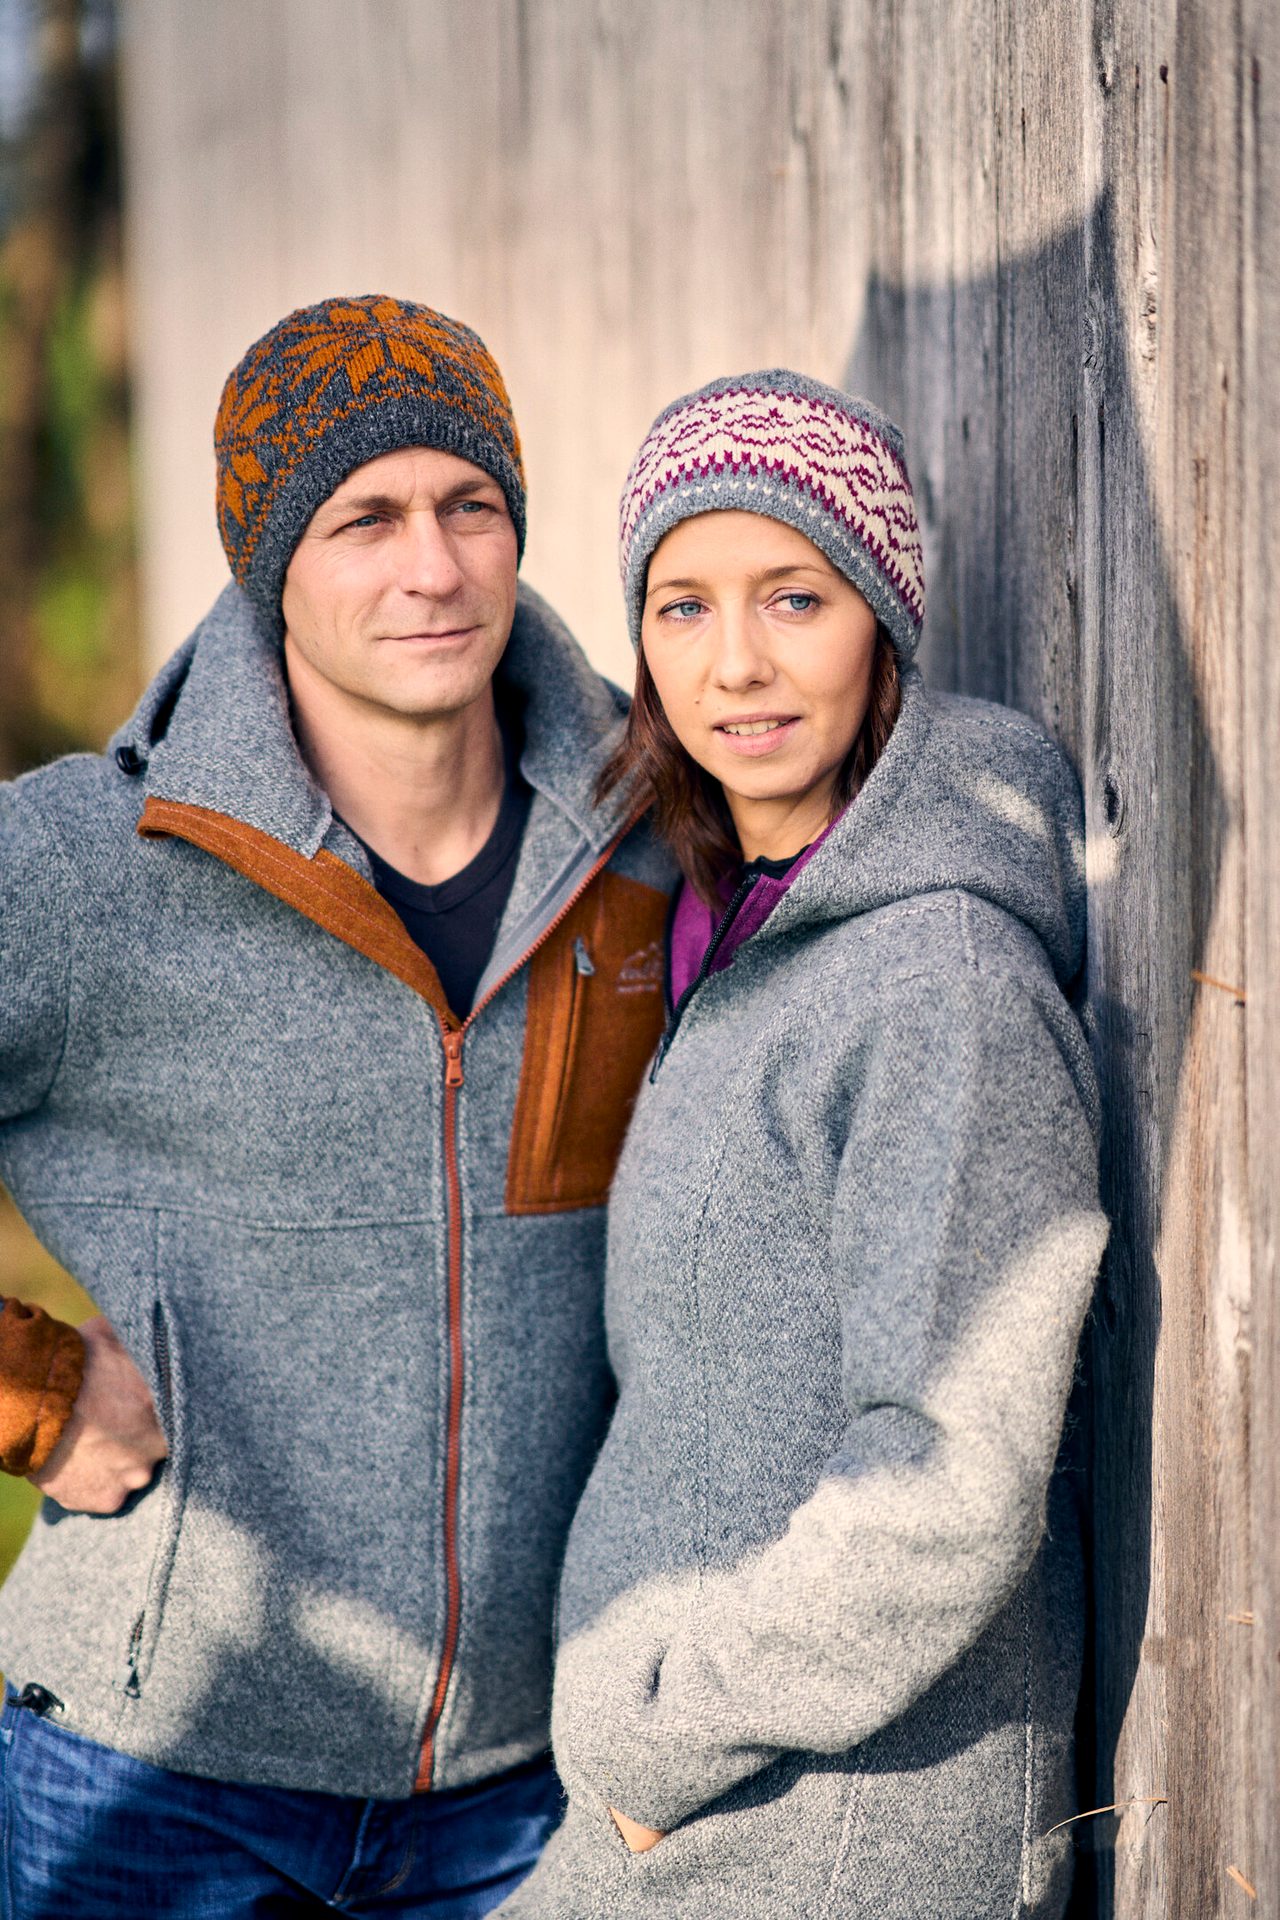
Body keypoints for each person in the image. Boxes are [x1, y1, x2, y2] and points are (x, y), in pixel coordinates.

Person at [0, 294, 672, 1919]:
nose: (431, 569)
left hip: (529, 1791)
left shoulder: (647, 844)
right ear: (269, 566)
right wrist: (26, 1394)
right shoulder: (81, 867)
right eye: (364, 517)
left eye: (471, 508)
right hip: (153, 1778)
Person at [494, 371, 1108, 1919]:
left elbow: (951, 1482)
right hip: (707, 1822)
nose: (738, 665)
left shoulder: (941, 984)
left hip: (825, 1834)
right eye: (684, 608)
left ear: (883, 623)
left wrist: (659, 1734)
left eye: (795, 597)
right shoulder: (736, 931)